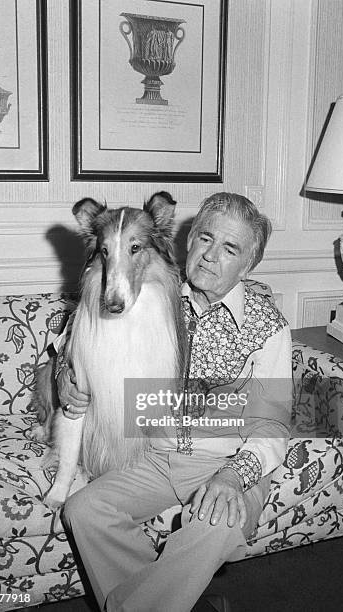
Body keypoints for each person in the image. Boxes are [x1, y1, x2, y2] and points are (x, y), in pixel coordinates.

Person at [57, 193, 293, 612]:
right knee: (84, 511)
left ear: (248, 264)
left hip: (226, 460)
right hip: (159, 456)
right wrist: (66, 380)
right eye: (205, 238)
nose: (210, 256)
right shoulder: (152, 294)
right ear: (188, 241)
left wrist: (234, 478)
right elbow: (78, 343)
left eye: (230, 248)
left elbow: (272, 425)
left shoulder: (267, 325)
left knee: (217, 524)